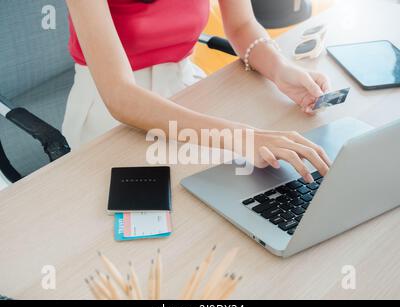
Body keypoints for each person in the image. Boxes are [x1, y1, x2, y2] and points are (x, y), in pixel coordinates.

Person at [64, 0, 331, 183]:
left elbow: (241, 26)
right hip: (110, 114)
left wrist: (280, 70)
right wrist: (242, 137)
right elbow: (120, 96)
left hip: (188, 92)